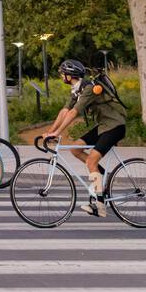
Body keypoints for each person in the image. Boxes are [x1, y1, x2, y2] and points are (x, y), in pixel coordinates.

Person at [43, 58, 127, 217]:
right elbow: (65, 111)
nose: (61, 77)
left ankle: (100, 205)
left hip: (115, 126)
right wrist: (51, 131)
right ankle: (100, 177)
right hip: (103, 126)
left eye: (63, 74)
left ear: (69, 75)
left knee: (91, 160)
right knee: (75, 148)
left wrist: (58, 132)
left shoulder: (88, 89)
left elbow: (74, 113)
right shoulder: (77, 90)